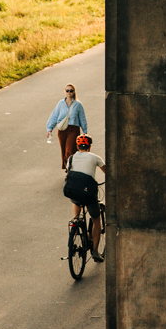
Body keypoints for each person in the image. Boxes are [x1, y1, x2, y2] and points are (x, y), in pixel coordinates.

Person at [63, 134, 106, 262]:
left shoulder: (71, 158)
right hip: (88, 194)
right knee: (96, 219)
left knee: (77, 200)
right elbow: (107, 171)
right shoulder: (95, 158)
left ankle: (76, 225)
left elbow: (68, 173)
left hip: (72, 192)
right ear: (90, 146)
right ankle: (95, 252)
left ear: (77, 146)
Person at [47, 82, 87, 171]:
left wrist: (85, 131)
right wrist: (50, 129)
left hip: (74, 129)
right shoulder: (60, 103)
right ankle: (68, 168)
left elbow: (82, 118)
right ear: (65, 92)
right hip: (62, 130)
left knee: (70, 150)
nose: (69, 93)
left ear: (74, 92)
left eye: (71, 91)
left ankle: (71, 169)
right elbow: (54, 116)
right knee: (64, 151)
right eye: (67, 91)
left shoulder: (78, 104)